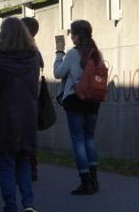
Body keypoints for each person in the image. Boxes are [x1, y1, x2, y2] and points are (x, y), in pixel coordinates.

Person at [0, 17, 40, 212]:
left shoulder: (0, 60)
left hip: (5, 116)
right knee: (23, 161)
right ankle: (29, 204)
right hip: (27, 116)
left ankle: (11, 206)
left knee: (6, 164)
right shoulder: (34, 57)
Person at [53, 20, 102, 195]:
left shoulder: (73, 53)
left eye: (71, 34)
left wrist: (59, 52)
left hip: (75, 101)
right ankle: (94, 181)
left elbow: (58, 73)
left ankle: (85, 181)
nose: (71, 37)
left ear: (77, 36)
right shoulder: (96, 53)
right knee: (90, 139)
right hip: (93, 102)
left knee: (78, 141)